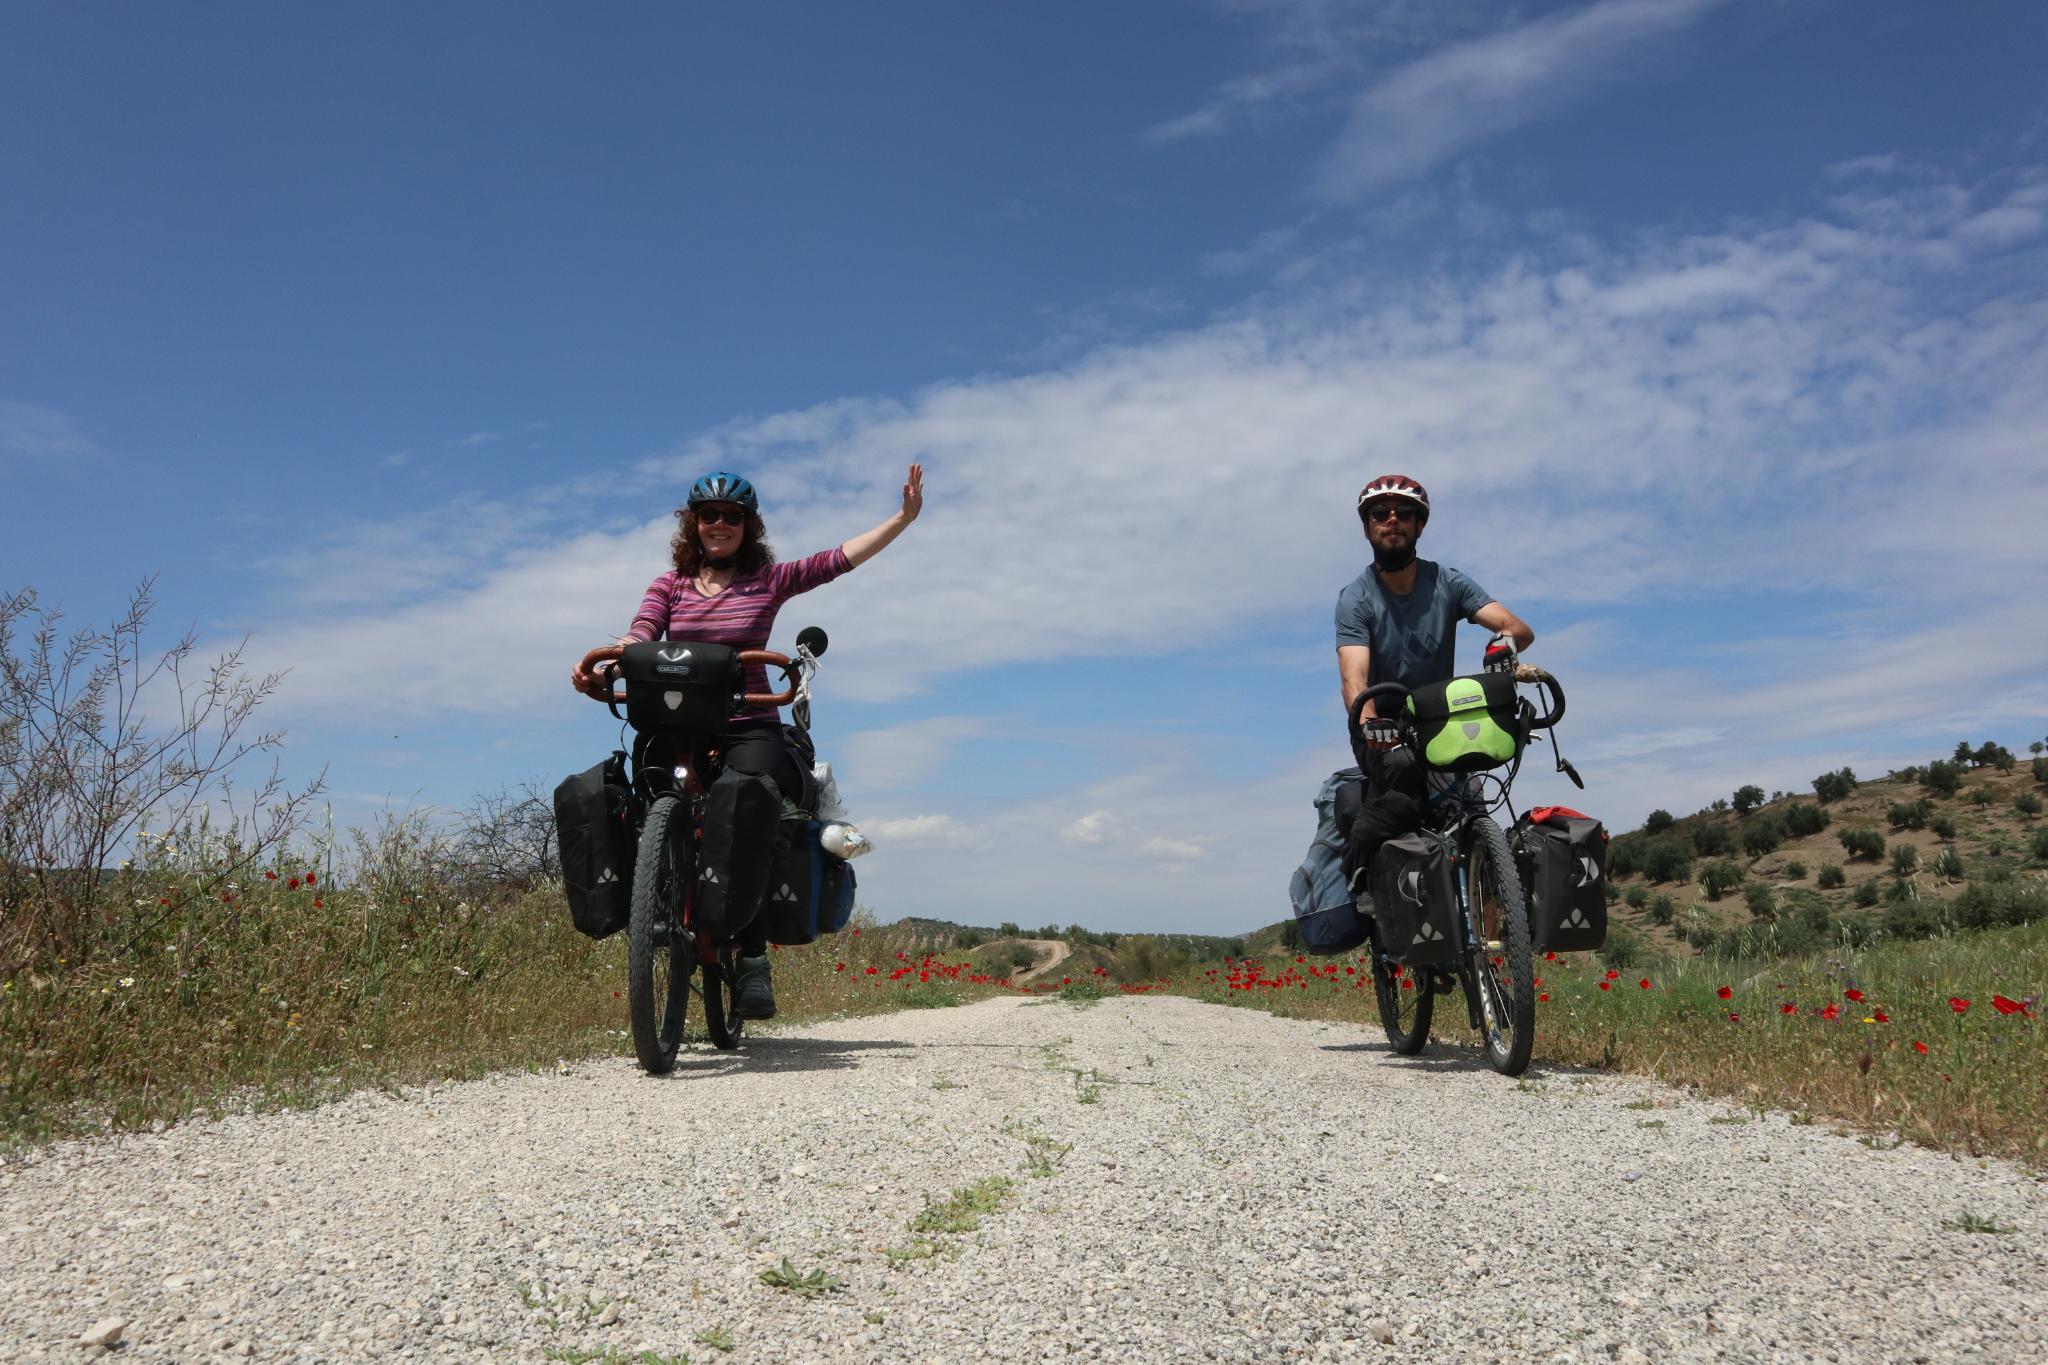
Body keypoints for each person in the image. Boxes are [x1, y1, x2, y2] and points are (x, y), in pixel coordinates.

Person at [574, 464, 923, 1018]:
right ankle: (656, 899)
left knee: (751, 805)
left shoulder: (767, 581)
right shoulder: (670, 585)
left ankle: (754, 958)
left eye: (731, 517)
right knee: (639, 804)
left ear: (747, 525)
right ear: (692, 525)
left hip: (748, 723)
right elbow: (640, 632)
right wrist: (610, 658)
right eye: (708, 515)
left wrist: (902, 519)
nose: (719, 524)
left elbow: (835, 561)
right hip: (675, 724)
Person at [1334, 474, 1533, 872]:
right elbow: (1354, 677)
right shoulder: (1356, 598)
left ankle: (1493, 923)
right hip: (1384, 730)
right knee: (1402, 784)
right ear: (1367, 527)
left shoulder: (1448, 583)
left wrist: (1504, 644)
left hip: (1441, 722)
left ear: (1419, 525)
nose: (1393, 519)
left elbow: (1518, 629)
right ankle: (1359, 870)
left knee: (1476, 815)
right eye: (1380, 513)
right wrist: (1370, 722)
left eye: (1404, 512)